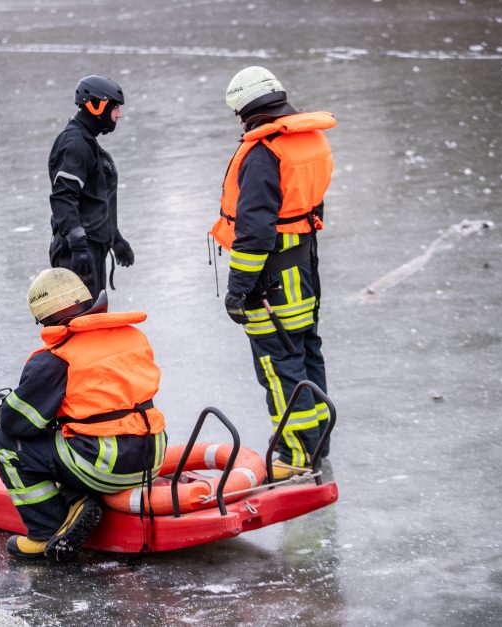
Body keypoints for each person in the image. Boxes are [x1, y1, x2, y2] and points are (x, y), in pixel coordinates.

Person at [209, 67, 335, 480]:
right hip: (304, 272)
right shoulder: (308, 139)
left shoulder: (264, 152)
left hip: (271, 282)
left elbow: (255, 231)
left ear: (246, 109)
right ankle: (317, 442)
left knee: (279, 367)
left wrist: (238, 290)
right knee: (305, 355)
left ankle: (295, 454)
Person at [0, 269, 167, 562]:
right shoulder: (131, 336)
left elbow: (15, 424)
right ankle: (78, 498)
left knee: (5, 444)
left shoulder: (55, 359)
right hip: (152, 455)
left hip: (104, 464)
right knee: (74, 433)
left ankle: (45, 530)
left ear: (43, 319)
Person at [48, 75, 135, 298]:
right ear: (96, 105)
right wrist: (78, 246)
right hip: (76, 252)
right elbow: (63, 197)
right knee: (79, 322)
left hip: (91, 248)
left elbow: (94, 200)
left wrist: (114, 238)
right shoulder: (75, 144)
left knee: (94, 320)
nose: (119, 114)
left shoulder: (87, 142)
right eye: (115, 107)